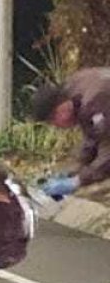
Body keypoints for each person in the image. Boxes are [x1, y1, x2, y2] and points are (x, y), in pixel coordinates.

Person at [31, 68, 110, 199]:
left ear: (60, 110)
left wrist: (78, 181)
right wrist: (75, 169)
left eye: (53, 121)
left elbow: (107, 152)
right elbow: (93, 136)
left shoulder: (95, 101)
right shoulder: (73, 89)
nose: (56, 127)